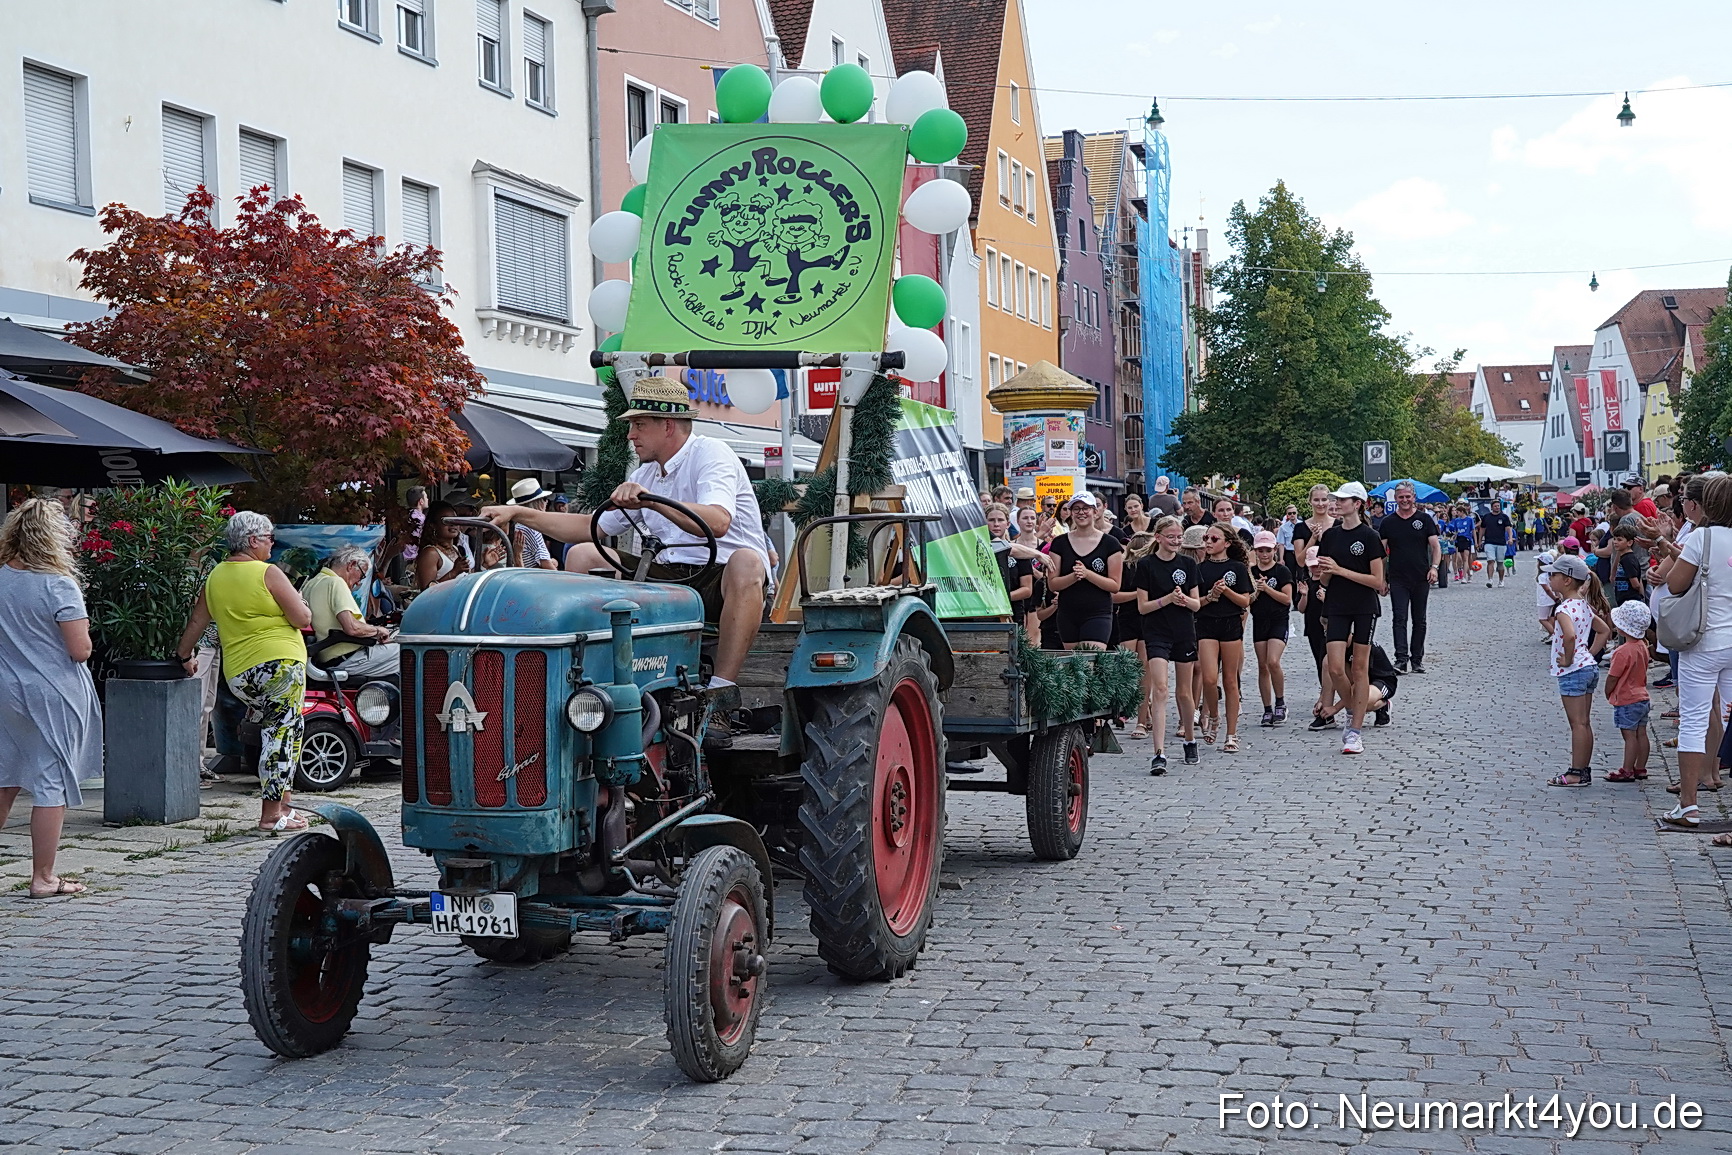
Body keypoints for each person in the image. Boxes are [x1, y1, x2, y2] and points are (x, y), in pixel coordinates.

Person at [483, 376, 772, 694]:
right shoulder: (646, 473)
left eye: (639, 425)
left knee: (747, 561)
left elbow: (718, 522)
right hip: (670, 579)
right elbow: (588, 527)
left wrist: (652, 501)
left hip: (721, 581)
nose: (631, 435)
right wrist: (519, 514)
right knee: (582, 553)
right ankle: (585, 675)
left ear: (667, 426)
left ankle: (720, 691)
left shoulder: (710, 454)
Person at [176, 511, 312, 832]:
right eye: (268, 538)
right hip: (279, 665)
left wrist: (183, 655)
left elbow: (197, 622)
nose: (271, 544)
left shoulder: (216, 577)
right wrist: (301, 602)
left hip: (240, 674)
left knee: (286, 731)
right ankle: (271, 815)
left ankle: (286, 808)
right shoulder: (269, 573)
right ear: (252, 541)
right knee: (280, 735)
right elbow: (303, 619)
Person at [0, 499, 101, 898]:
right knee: (50, 782)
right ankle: (43, 877)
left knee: (5, 777)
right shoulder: (58, 584)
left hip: (7, 687)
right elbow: (79, 650)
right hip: (52, 691)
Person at [1653, 474, 1732, 827]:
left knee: (1695, 719)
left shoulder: (1704, 537)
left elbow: (1675, 582)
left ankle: (1688, 805)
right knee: (1730, 718)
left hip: (1704, 640)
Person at [1316, 481, 1386, 755]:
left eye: (1343, 500)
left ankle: (1354, 731)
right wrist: (1325, 571)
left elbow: (1378, 581)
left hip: (1363, 606)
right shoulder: (1331, 536)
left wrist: (1340, 570)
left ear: (1357, 504)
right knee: (1334, 667)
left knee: (1359, 669)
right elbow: (1324, 576)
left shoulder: (1369, 536)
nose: (1337, 503)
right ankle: (1354, 708)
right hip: (1336, 605)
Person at [1134, 515, 1200, 772]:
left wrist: (1182, 600)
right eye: (1170, 537)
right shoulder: (1146, 565)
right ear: (1158, 537)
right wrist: (1166, 600)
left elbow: (1196, 604)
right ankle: (1159, 753)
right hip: (1156, 632)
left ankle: (1190, 739)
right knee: (1160, 688)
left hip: (1183, 631)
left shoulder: (1188, 564)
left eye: (1178, 537)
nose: (1175, 541)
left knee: (1184, 692)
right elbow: (1142, 607)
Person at [1542, 554, 1608, 788]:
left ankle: (1576, 772)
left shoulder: (1564, 608)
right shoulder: (1583, 604)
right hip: (1588, 666)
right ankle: (1584, 768)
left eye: (1554, 575)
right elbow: (1604, 630)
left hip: (1573, 670)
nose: (1550, 578)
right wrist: (1589, 653)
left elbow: (1569, 635)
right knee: (1585, 722)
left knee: (1577, 724)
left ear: (1568, 580)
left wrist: (1569, 657)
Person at [1194, 524, 1252, 752]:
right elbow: (1195, 603)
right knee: (1209, 678)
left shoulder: (1237, 568)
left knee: (1230, 680)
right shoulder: (1199, 568)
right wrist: (1211, 596)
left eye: (1214, 538)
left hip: (1230, 623)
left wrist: (1226, 591)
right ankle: (1214, 716)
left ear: (1227, 543)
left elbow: (1245, 601)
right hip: (1207, 624)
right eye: (1206, 538)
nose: (1208, 542)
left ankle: (1231, 733)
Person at [302, 545, 399, 679]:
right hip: (347, 659)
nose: (359, 583)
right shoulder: (336, 583)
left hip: (324, 658)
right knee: (407, 653)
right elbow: (352, 628)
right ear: (351, 565)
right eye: (362, 575)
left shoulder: (311, 584)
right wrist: (378, 631)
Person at [1045, 492, 1123, 650]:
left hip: (1098, 612)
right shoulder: (1059, 543)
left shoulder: (1110, 543)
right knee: (1074, 667)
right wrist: (1074, 576)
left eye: (1086, 508)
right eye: (1076, 509)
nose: (1081, 512)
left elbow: (1115, 585)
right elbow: (1053, 584)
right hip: (1068, 612)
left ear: (1095, 512)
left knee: (1089, 663)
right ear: (1070, 513)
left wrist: (1088, 574)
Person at [1379, 482, 1440, 674]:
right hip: (1397, 577)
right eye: (1401, 497)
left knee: (1419, 619)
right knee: (1399, 618)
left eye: (1408, 497)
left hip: (1421, 576)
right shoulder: (1388, 522)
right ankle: (1401, 658)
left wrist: (1435, 568)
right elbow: (1381, 553)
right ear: (1395, 499)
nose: (1404, 500)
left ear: (1414, 497)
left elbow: (1435, 547)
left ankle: (1417, 659)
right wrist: (1381, 578)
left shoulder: (1424, 519)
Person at [1604, 600, 1653, 783]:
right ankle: (1640, 767)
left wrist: (1608, 691)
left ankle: (1626, 769)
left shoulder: (1622, 652)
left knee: (1629, 736)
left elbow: (1613, 677)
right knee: (1642, 733)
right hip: (1642, 697)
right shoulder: (1642, 646)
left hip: (1626, 699)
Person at [1247, 530, 1292, 726]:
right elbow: (1246, 599)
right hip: (1260, 621)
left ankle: (1280, 702)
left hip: (1278, 620)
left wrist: (1267, 589)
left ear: (1274, 550)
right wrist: (1256, 591)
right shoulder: (1251, 573)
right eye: (1261, 550)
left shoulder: (1282, 572)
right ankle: (1267, 708)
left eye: (1268, 550)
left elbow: (1287, 599)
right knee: (1262, 665)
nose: (1264, 554)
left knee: (1273, 661)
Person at [985, 504, 1034, 619]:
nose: (996, 524)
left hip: (1013, 611)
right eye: (991, 520)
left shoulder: (1020, 552)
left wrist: (1002, 598)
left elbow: (1027, 589)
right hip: (984, 611)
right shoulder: (978, 551)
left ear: (1008, 524)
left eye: (1000, 520)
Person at [505, 478, 560, 570]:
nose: (546, 502)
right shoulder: (531, 528)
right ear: (537, 503)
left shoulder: (517, 526)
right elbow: (546, 564)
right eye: (544, 499)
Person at [1478, 499, 1514, 587]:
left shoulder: (1504, 517)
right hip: (1489, 542)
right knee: (1490, 561)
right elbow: (1482, 529)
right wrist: (1479, 541)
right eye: (1495, 506)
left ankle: (1501, 580)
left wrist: (1510, 538)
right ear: (1492, 507)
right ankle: (1490, 579)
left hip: (1501, 542)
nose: (1497, 507)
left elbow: (1508, 529)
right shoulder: (1486, 517)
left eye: (1498, 506)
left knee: (1500, 563)